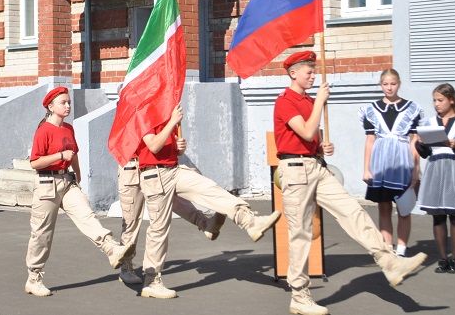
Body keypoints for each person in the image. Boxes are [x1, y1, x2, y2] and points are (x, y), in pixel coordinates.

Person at [274, 51, 427, 315]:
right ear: (293, 74)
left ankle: (388, 260)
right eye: (308, 71)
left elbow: (312, 139)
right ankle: (299, 296)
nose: (313, 75)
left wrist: (322, 146)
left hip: (316, 167)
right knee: (300, 233)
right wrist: (320, 104)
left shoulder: (309, 100)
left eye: (313, 70)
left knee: (352, 210)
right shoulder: (285, 101)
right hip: (295, 170)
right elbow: (307, 131)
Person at [134, 105, 281, 299]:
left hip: (173, 169)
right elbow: (152, 145)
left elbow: (165, 147)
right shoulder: (143, 112)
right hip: (154, 175)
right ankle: (151, 281)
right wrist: (172, 122)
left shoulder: (164, 111)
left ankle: (249, 221)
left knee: (210, 188)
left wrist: (177, 148)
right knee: (159, 229)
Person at [25, 87, 133, 297]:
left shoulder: (68, 128)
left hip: (67, 181)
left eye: (68, 102)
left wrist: (78, 176)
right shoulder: (44, 130)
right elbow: (35, 162)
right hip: (47, 184)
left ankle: (112, 250)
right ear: (50, 106)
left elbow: (73, 154)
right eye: (63, 102)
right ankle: (34, 278)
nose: (67, 106)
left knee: (87, 217)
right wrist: (59, 155)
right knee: (42, 234)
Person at [116, 158, 226, 284]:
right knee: (132, 221)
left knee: (173, 199)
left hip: (157, 165)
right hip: (133, 166)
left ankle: (205, 224)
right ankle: (126, 268)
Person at [360, 69, 422, 256]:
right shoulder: (371, 109)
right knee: (384, 206)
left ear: (399, 84)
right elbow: (370, 141)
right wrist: (366, 169)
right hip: (381, 162)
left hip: (403, 161)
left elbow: (414, 141)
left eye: (393, 83)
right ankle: (387, 248)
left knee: (404, 206)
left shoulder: (412, 108)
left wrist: (415, 169)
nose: (389, 87)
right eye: (385, 84)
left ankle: (402, 248)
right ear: (381, 85)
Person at [416, 83, 455, 274]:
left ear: (451, 100)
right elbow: (425, 153)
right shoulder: (429, 123)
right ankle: (443, 259)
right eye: (434, 100)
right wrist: (421, 144)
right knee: (438, 216)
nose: (436, 104)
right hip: (436, 168)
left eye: (440, 100)